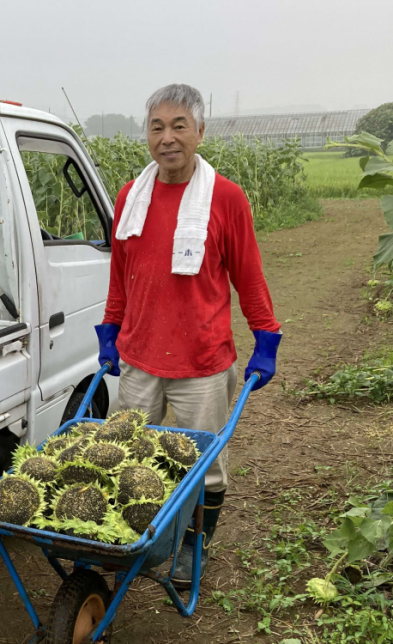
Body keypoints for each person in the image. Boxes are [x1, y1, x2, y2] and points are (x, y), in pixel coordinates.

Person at [95, 83, 282, 587]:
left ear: (200, 131)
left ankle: (190, 549)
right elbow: (122, 276)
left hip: (203, 361)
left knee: (206, 467)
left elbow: (249, 276)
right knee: (126, 454)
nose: (168, 137)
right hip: (138, 358)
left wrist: (266, 338)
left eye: (179, 125)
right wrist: (110, 331)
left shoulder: (225, 198)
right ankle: (126, 536)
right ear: (147, 136)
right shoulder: (131, 196)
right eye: (157, 127)